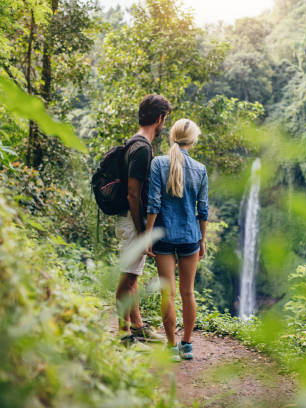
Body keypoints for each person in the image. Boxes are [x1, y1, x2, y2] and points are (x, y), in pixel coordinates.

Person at [145, 118, 208, 361]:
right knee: (188, 293)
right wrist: (202, 239)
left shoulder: (158, 163)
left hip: (163, 235)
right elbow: (202, 209)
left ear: (172, 137)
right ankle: (188, 344)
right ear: (192, 140)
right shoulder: (200, 169)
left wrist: (149, 235)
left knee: (167, 294)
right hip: (190, 236)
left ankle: (171, 346)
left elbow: (153, 203)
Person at [116, 94, 171, 345]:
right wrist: (142, 232)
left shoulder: (133, 143)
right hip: (132, 220)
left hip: (128, 219)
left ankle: (137, 327)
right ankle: (123, 333)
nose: (163, 125)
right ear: (159, 118)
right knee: (127, 278)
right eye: (164, 120)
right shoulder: (142, 149)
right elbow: (133, 192)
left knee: (132, 275)